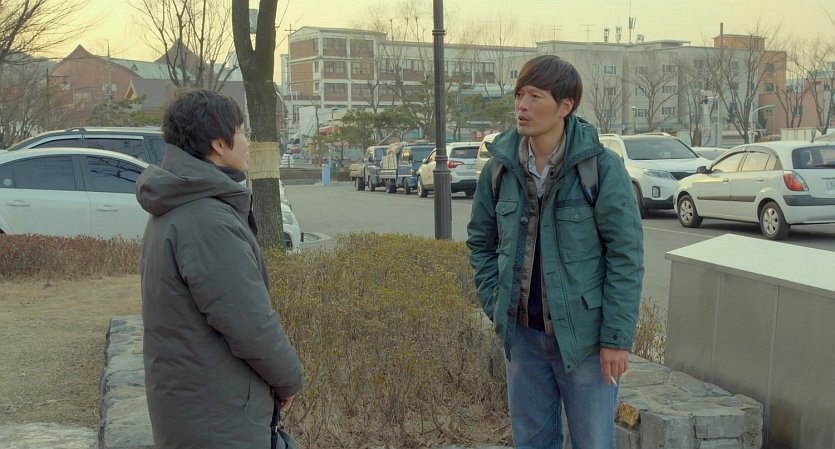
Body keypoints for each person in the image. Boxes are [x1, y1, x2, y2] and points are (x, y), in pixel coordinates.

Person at [466, 55, 644, 448]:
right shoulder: (500, 168)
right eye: (519, 95)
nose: (522, 106)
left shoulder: (600, 169)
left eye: (535, 96)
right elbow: (481, 242)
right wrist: (496, 302)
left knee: (593, 442)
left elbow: (625, 256)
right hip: (524, 339)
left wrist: (616, 339)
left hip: (585, 342)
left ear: (565, 106)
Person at [136, 89, 304, 448]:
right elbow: (249, 323)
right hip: (217, 415)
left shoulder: (180, 206)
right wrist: (289, 379)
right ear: (218, 143)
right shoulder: (207, 220)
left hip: (195, 406)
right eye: (242, 132)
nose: (247, 142)